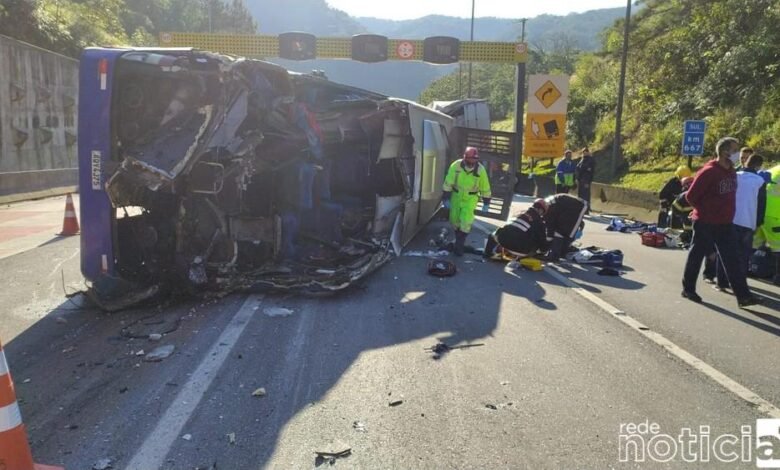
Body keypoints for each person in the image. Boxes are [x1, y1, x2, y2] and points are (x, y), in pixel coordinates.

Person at [681, 136, 761, 307]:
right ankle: (688, 289)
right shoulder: (709, 171)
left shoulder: (732, 171)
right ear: (725, 152)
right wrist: (704, 211)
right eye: (734, 150)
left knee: (733, 260)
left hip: (725, 223)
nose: (738, 153)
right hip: (706, 222)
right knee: (696, 255)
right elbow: (690, 196)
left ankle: (744, 296)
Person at [711, 154, 768, 292]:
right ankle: (739, 285)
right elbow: (761, 205)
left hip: (730, 219)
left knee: (725, 252)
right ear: (758, 166)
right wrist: (758, 223)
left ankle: (722, 282)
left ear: (746, 162)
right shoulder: (760, 181)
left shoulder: (735, 175)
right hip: (748, 222)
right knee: (743, 256)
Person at [442, 147, 492, 256]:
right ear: (465, 158)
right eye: (470, 159)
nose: (473, 162)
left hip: (470, 198)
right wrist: (445, 197)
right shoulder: (456, 166)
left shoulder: (480, 170)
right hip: (456, 196)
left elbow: (485, 186)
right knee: (454, 220)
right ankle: (458, 241)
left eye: (475, 159)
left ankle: (459, 245)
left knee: (465, 221)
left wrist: (486, 202)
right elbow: (448, 181)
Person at [484, 199, 548, 260]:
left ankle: (487, 253)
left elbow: (506, 227)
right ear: (541, 210)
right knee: (536, 240)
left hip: (503, 241)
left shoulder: (519, 213)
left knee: (494, 234)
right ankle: (518, 256)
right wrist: (543, 251)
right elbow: (542, 242)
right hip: (521, 251)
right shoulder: (539, 223)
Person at [542, 193, 588, 260]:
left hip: (579, 206)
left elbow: (550, 226)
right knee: (561, 230)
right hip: (570, 207)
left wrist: (547, 242)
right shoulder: (547, 204)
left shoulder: (549, 210)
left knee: (563, 232)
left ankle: (557, 254)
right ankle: (561, 252)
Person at [672, 176, 694, 246]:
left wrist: (682, 214)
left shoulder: (682, 196)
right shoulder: (700, 192)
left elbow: (674, 207)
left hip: (687, 224)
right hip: (699, 225)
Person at [575, 147, 595, 213]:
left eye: (586, 151)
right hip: (580, 180)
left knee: (586, 195)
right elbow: (578, 168)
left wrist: (588, 181)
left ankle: (586, 209)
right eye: (583, 152)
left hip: (586, 180)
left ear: (588, 152)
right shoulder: (582, 159)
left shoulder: (590, 160)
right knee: (580, 195)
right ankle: (580, 208)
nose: (584, 153)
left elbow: (589, 170)